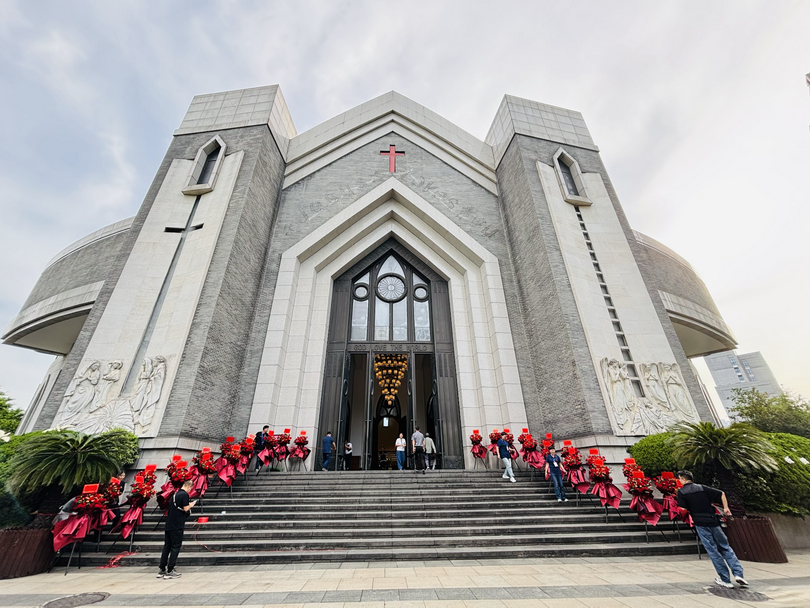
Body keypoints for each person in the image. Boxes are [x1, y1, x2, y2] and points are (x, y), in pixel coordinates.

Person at [676, 470, 748, 589]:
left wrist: (684, 517)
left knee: (713, 551)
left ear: (683, 479)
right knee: (725, 546)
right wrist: (726, 508)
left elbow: (682, 509)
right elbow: (721, 494)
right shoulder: (702, 488)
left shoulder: (682, 492)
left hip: (700, 523)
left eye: (679, 478)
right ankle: (738, 574)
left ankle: (725, 579)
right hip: (713, 521)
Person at [158, 479, 196, 579]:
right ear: (188, 486)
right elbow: (186, 508)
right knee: (175, 546)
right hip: (177, 525)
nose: (190, 490)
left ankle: (162, 569)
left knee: (167, 546)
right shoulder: (184, 495)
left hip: (169, 524)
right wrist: (191, 505)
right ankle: (170, 570)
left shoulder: (175, 494)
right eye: (190, 488)